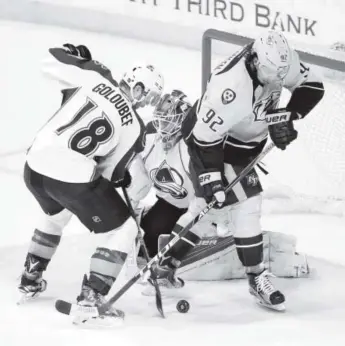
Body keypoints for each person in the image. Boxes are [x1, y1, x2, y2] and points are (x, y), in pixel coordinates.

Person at [149, 31, 325, 311]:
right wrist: (213, 180)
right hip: (210, 142)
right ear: (254, 61)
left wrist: (287, 116)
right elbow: (204, 139)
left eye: (282, 74)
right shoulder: (229, 87)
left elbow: (314, 85)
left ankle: (165, 264)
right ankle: (257, 276)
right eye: (271, 73)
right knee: (247, 204)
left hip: (244, 142)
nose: (278, 81)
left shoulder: (277, 61)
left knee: (208, 210)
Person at [18, 43, 163, 323]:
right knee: (126, 225)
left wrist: (75, 57)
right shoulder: (136, 128)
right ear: (138, 88)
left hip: (33, 165)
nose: (147, 103)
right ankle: (92, 296)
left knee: (56, 213)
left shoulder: (96, 75)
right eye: (150, 95)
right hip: (70, 174)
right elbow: (110, 174)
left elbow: (48, 62)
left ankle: (30, 276)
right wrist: (125, 179)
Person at [127, 91, 309, 286]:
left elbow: (212, 186)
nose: (163, 125)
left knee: (199, 243)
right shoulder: (151, 138)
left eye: (168, 120)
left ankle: (263, 254)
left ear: (181, 121)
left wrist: (223, 224)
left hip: (199, 204)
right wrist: (129, 205)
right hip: (170, 203)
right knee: (147, 245)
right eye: (161, 119)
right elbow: (140, 181)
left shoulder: (191, 148)